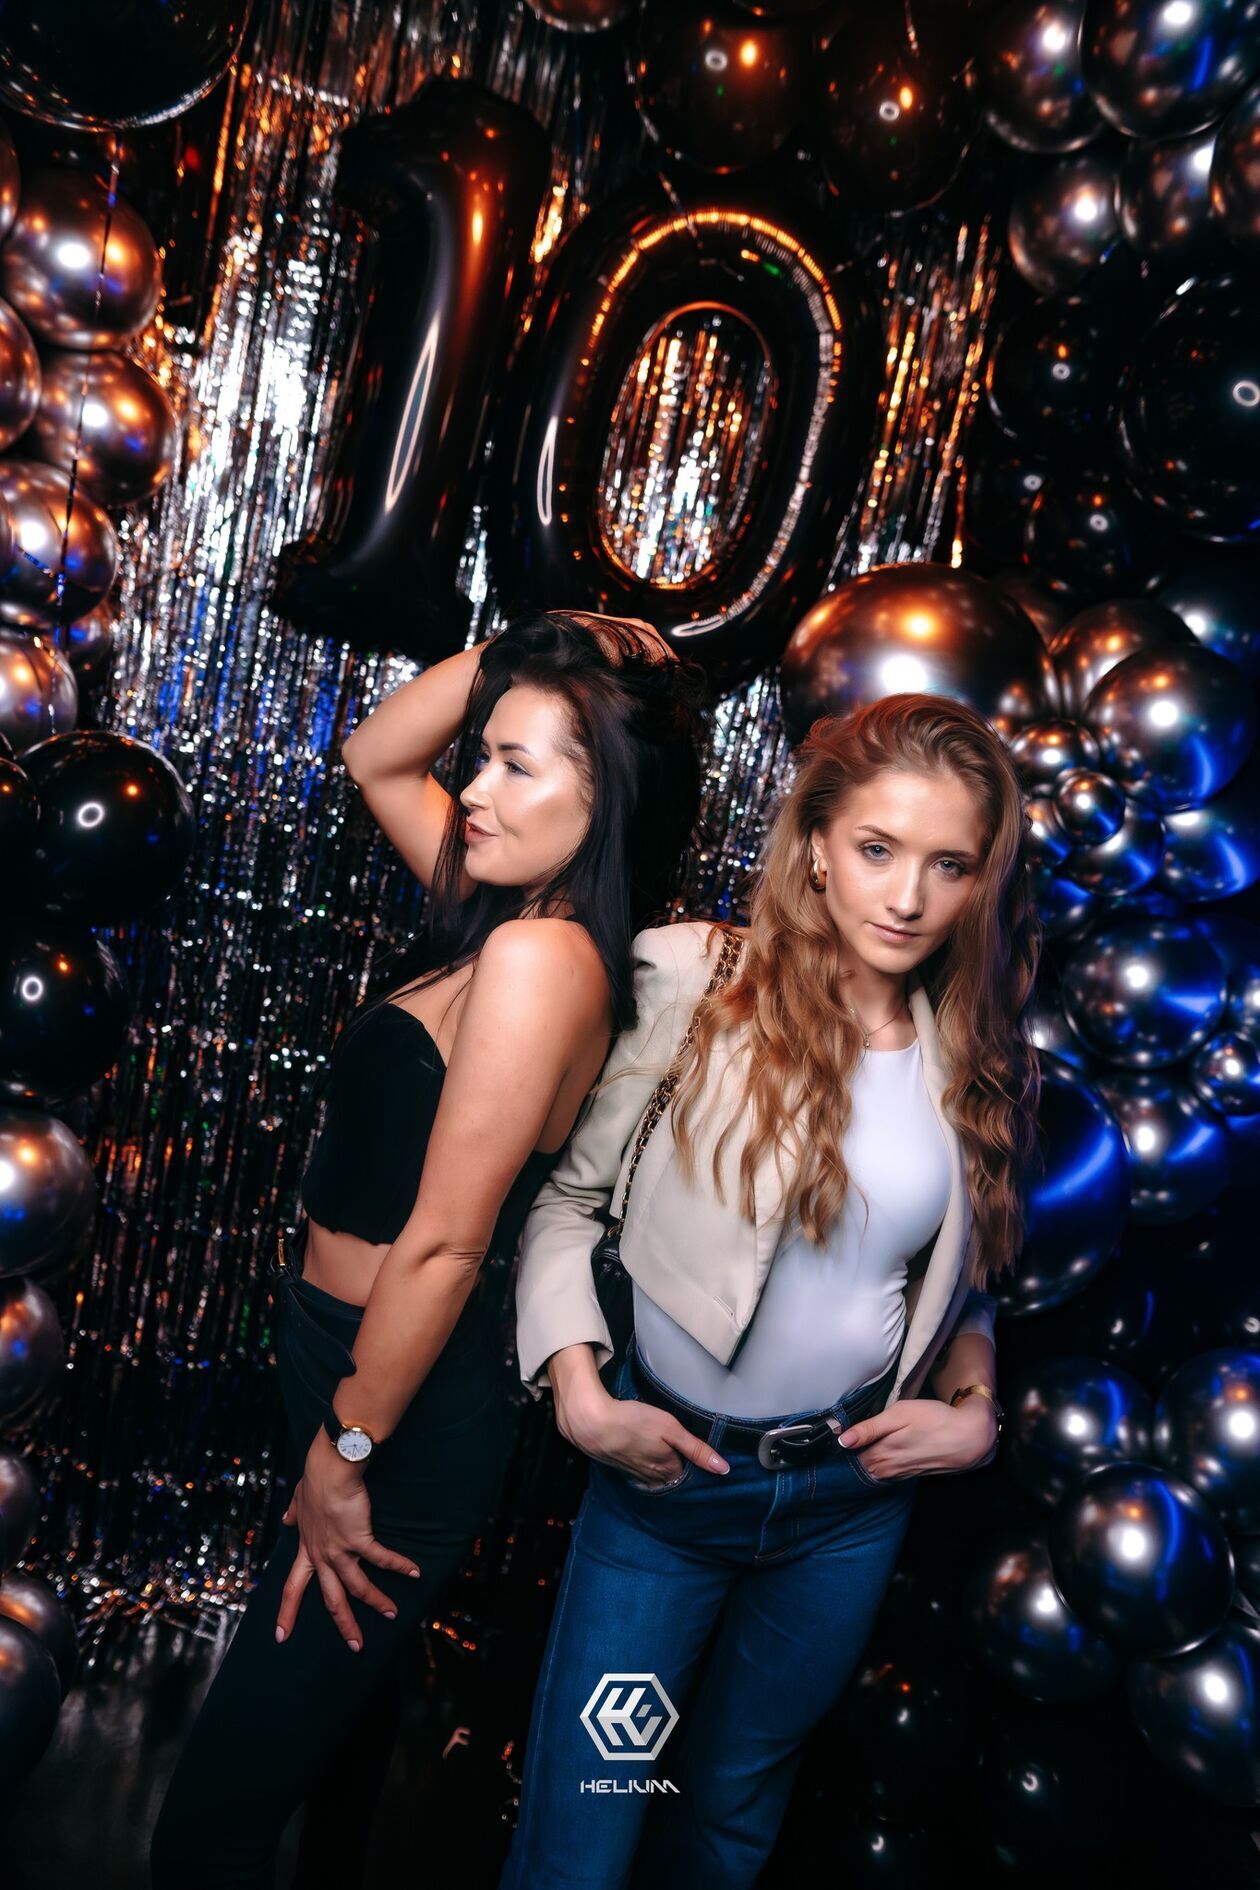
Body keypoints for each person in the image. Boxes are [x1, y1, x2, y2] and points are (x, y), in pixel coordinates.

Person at [150, 610, 709, 1889]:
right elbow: (376, 754)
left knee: (218, 1814)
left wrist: (346, 1448)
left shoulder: (539, 960)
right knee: (337, 1732)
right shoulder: (510, 917)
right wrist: (540, 636)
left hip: (394, 1399)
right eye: (485, 754)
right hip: (343, 1357)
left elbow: (450, 1245)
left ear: (605, 796)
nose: (479, 790)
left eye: (518, 765)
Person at [501, 692, 1041, 1890]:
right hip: (666, 1493)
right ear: (817, 844)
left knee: (731, 1827)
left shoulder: (978, 1052)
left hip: (847, 1505)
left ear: (980, 884)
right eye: (878, 849)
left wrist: (975, 1412)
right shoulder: (695, 979)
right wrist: (580, 1394)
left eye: (949, 865)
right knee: (582, 1837)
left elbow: (962, 1291)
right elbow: (566, 1205)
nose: (908, 897)